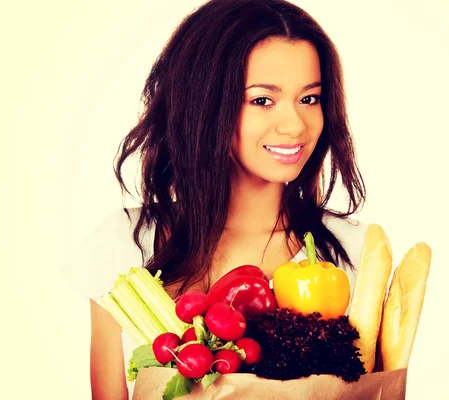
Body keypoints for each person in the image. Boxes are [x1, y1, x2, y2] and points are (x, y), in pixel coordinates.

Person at [61, 0, 375, 398]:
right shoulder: (126, 242)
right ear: (207, 104)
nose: (295, 124)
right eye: (262, 99)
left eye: (309, 98)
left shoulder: (355, 250)